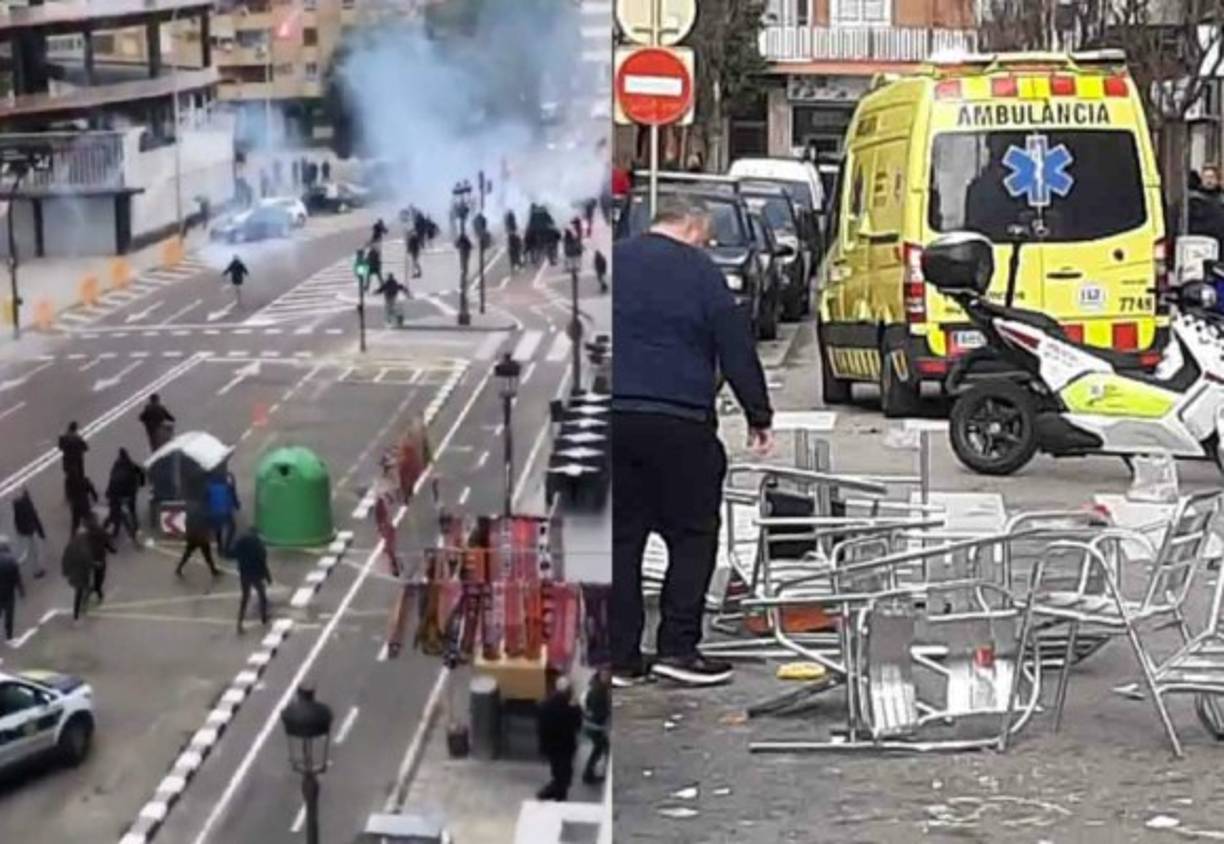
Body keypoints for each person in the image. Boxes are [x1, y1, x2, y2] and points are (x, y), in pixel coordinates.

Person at [612, 193, 774, 688]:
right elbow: (735, 344)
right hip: (679, 420)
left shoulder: (611, 260)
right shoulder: (702, 273)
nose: (706, 245)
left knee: (620, 538)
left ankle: (619, 656)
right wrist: (758, 414)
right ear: (690, 227)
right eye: (705, 237)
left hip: (610, 415)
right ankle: (678, 648)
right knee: (693, 533)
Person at [536, 677, 583, 801]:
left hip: (551, 747)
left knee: (557, 771)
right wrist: (577, 707)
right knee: (564, 776)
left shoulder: (545, 705)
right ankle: (556, 795)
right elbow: (578, 725)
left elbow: (541, 728)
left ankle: (555, 792)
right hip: (565, 747)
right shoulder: (570, 707)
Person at [233, 526, 271, 634]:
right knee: (262, 595)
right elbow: (263, 562)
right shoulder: (259, 546)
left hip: (244, 573)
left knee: (245, 597)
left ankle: (239, 622)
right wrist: (268, 577)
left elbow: (233, 553)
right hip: (255, 573)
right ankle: (263, 617)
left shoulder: (241, 542)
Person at [104, 448, 145, 544]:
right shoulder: (132, 465)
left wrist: (109, 493)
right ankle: (136, 529)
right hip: (129, 494)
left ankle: (113, 531)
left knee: (114, 513)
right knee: (132, 511)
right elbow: (142, 475)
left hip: (116, 495)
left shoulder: (116, 465)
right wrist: (138, 485)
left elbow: (112, 480)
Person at [581, 668, 611, 784]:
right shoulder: (599, 691)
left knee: (599, 748)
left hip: (592, 724)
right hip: (596, 726)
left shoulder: (596, 688)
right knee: (601, 748)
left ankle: (589, 773)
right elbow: (600, 710)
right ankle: (589, 774)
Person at [177, 502, 219, 577]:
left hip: (193, 537)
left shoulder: (191, 516)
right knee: (207, 555)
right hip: (202, 538)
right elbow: (209, 524)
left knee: (187, 553)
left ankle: (179, 567)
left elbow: (187, 525)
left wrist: (188, 535)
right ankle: (213, 570)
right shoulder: (204, 515)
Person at [12, 488, 46, 578]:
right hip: (29, 531)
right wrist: (41, 532)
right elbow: (35, 518)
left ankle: (18, 564)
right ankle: (36, 571)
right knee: (33, 551)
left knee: (29, 550)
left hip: (23, 531)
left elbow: (17, 520)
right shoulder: (27, 505)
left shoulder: (17, 505)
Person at [206, 472, 240, 557]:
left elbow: (206, 499)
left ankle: (220, 549)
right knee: (232, 528)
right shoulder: (229, 488)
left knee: (219, 530)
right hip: (224, 512)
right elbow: (235, 502)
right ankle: (226, 549)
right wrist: (237, 505)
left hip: (213, 512)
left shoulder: (211, 487)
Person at [62, 531, 93, 621]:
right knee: (85, 590)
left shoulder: (70, 547)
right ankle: (82, 607)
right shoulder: (84, 548)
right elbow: (88, 560)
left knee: (78, 593)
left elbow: (65, 559)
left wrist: (65, 571)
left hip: (74, 574)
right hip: (82, 574)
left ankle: (77, 613)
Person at [84, 514, 115, 603]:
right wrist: (112, 550)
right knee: (99, 576)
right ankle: (98, 591)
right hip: (99, 559)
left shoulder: (85, 534)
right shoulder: (102, 532)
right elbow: (108, 544)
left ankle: (86, 593)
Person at [0, 537, 23, 641]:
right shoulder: (11, 561)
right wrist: (21, 591)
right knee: (9, 616)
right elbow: (17, 579)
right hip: (9, 593)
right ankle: (9, 636)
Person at [66, 471, 98, 535]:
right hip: (84, 505)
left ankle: (73, 537)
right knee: (89, 520)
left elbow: (68, 495)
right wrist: (95, 496)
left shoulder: (68, 482)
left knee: (75, 523)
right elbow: (90, 487)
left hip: (76, 506)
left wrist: (71, 502)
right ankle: (94, 535)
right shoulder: (83, 480)